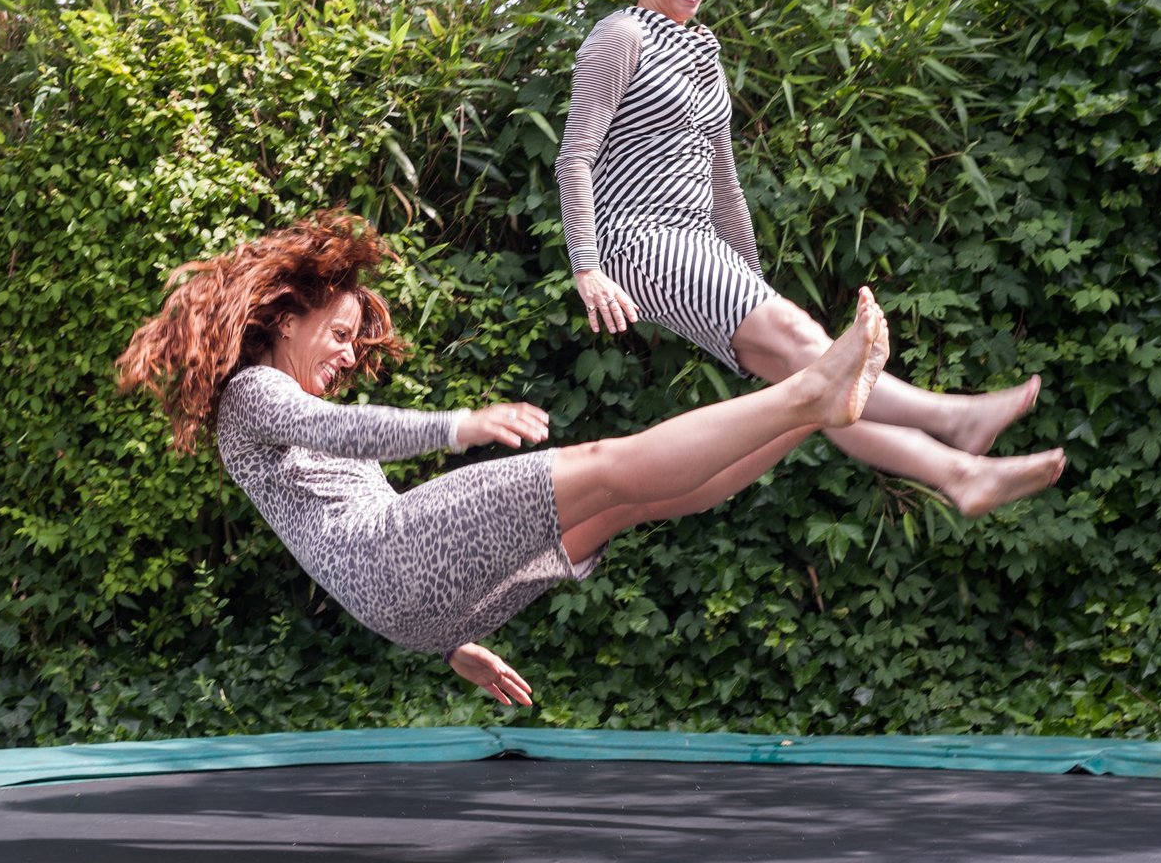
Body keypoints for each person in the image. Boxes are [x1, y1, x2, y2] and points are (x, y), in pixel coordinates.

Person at [116, 210, 890, 706]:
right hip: (392, 559)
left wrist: (447, 640)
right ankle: (807, 390)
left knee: (629, 502)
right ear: (288, 320)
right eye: (341, 335)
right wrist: (458, 425)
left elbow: (338, 521)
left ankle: (812, 412)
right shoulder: (253, 393)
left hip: (419, 606)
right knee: (604, 462)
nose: (350, 356)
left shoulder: (269, 407)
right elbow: (349, 435)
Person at [558, 0, 1065, 518]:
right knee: (809, 343)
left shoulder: (704, 48)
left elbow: (723, 175)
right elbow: (575, 157)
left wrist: (748, 274)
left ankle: (960, 475)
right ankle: (954, 418)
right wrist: (587, 267)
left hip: (699, 242)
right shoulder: (621, 35)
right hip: (640, 238)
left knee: (817, 382)